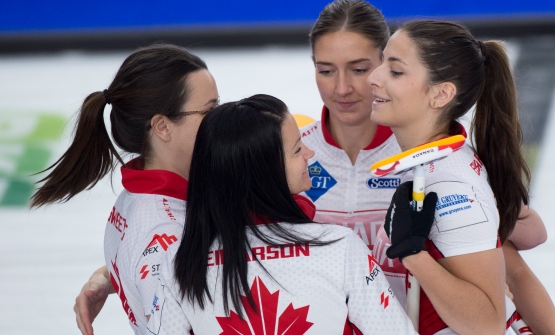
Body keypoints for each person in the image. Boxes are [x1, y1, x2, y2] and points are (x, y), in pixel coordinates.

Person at [302, 0, 555, 335]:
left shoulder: (446, 176)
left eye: (368, 68)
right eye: (325, 70)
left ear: (440, 94)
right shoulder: (298, 152)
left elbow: (491, 312)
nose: (350, 86)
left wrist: (414, 254)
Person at [146, 94, 416, 334]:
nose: (310, 153)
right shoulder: (339, 247)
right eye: (298, 149)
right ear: (265, 171)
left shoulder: (178, 261)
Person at [30, 43, 220, 334]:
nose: (222, 122)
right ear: (163, 127)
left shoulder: (136, 201)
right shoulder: (168, 229)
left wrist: (110, 277)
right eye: (209, 111)